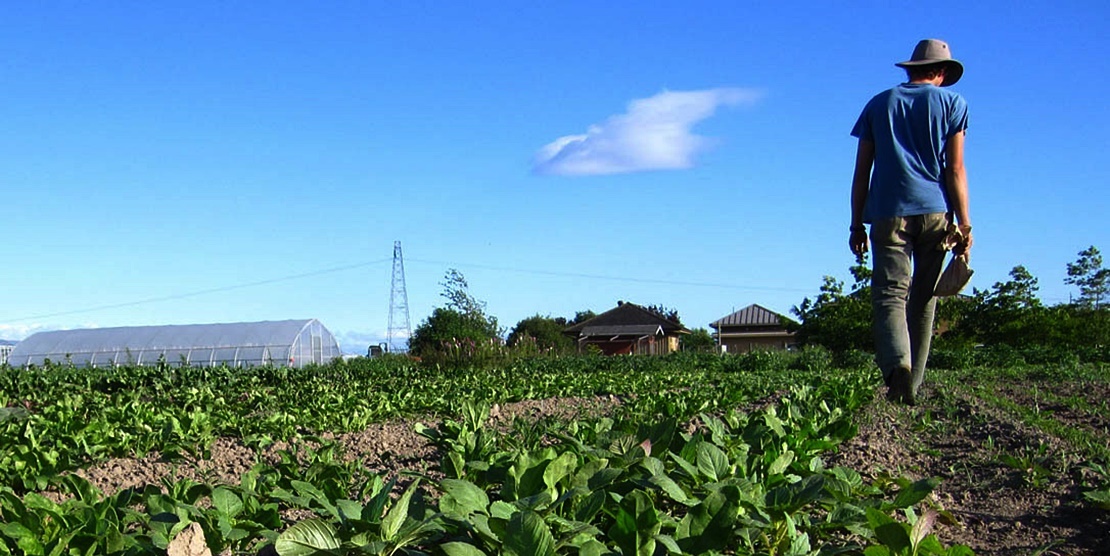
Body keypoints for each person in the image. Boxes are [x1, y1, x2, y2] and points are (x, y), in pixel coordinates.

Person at [848, 39, 972, 405]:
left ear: (911, 68)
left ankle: (897, 370)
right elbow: (955, 169)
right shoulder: (953, 104)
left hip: (887, 211)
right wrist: (964, 223)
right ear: (942, 71)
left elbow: (861, 173)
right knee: (925, 298)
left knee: (890, 296)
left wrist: (856, 224)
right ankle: (912, 387)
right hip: (935, 212)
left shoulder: (878, 104)